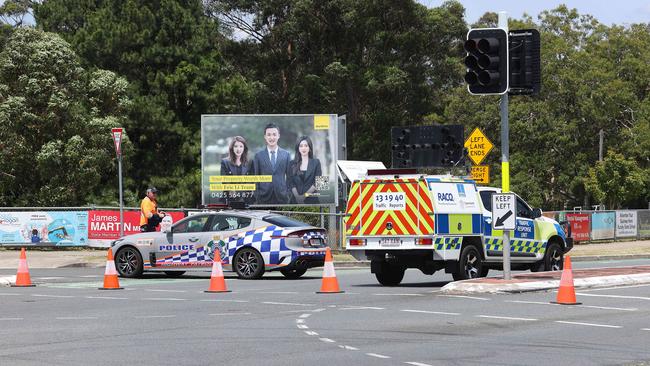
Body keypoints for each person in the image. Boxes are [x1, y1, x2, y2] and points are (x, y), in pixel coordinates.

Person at [251, 123, 291, 204]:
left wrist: (288, 193)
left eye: (274, 134)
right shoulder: (258, 156)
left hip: (282, 197)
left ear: (278, 136)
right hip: (263, 198)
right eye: (269, 135)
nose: (271, 137)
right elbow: (256, 177)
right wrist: (257, 195)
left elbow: (290, 177)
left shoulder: (286, 155)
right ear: (265, 137)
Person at [288, 136, 322, 204]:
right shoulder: (291, 163)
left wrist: (304, 196)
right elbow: (290, 183)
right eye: (301, 146)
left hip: (312, 201)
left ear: (310, 148)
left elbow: (319, 184)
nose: (303, 148)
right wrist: (297, 197)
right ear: (298, 148)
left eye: (306, 146)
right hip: (295, 202)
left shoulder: (317, 162)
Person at [220, 136, 250, 203]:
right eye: (235, 146)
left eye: (241, 146)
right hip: (229, 199)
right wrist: (231, 189)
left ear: (244, 148)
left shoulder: (249, 163)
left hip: (245, 199)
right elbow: (224, 180)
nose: (238, 149)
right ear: (232, 148)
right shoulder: (225, 162)